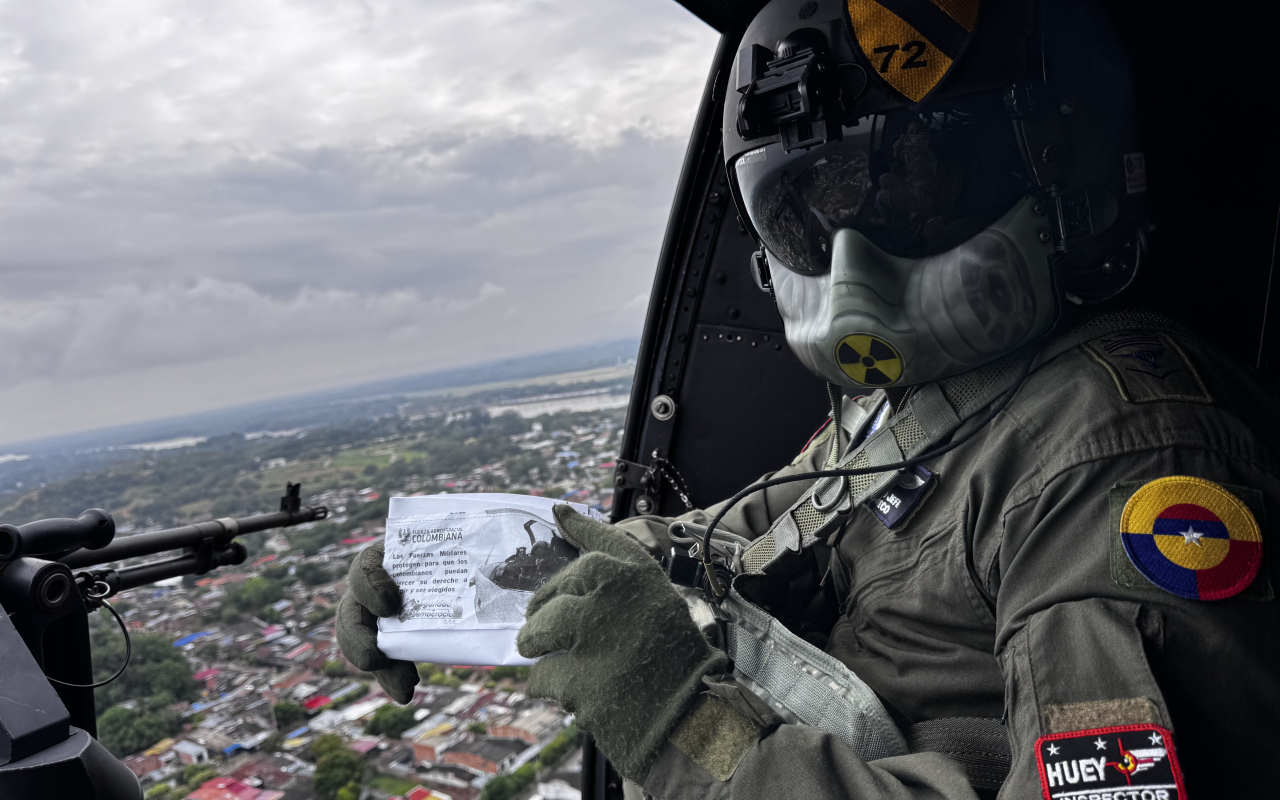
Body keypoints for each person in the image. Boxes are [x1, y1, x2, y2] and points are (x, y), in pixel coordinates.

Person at [337, 0, 1280, 796]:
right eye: (808, 212)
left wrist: (680, 724)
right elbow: (772, 527)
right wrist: (508, 568)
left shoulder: (1126, 454)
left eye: (910, 191)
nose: (849, 258)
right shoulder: (937, 395)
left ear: (1059, 172)